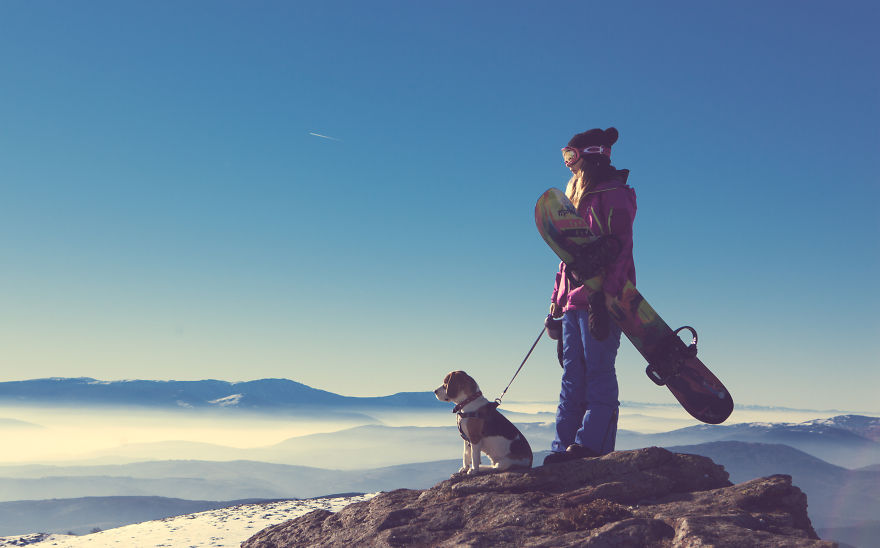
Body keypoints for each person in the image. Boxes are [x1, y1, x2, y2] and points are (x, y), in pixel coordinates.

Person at [543, 127, 637, 465]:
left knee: (598, 371)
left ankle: (591, 446)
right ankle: (564, 444)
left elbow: (621, 249)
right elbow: (566, 255)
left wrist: (605, 296)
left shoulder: (616, 194)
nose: (567, 164)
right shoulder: (575, 199)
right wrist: (556, 303)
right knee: (572, 375)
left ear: (589, 156)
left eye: (571, 156)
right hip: (573, 304)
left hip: (603, 301)